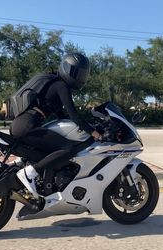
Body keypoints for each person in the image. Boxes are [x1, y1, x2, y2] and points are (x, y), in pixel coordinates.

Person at [11, 53, 102, 199]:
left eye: (82, 74)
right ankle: (30, 174)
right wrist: (94, 132)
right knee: (68, 148)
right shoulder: (61, 85)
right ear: (67, 68)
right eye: (77, 73)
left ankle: (22, 164)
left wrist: (85, 125)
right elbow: (74, 116)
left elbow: (63, 117)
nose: (80, 77)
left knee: (51, 145)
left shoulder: (53, 83)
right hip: (27, 126)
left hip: (21, 124)